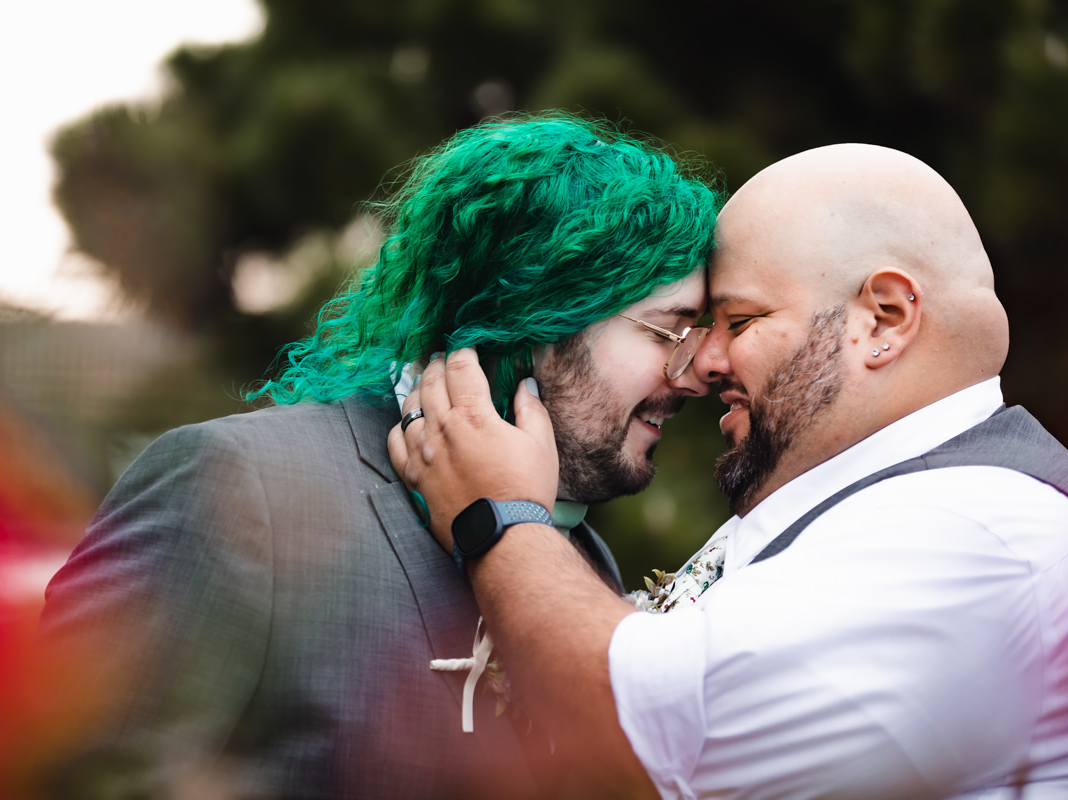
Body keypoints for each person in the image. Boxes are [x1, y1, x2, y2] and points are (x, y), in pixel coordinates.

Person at [37, 112, 720, 799]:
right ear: (534, 317)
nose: (695, 374)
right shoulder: (238, 484)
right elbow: (75, 776)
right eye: (668, 332)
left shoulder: (581, 561)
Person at [391, 143, 1068, 798]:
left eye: (739, 321)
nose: (704, 365)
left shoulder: (971, 534)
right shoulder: (896, 503)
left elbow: (633, 738)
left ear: (884, 319)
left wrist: (499, 514)